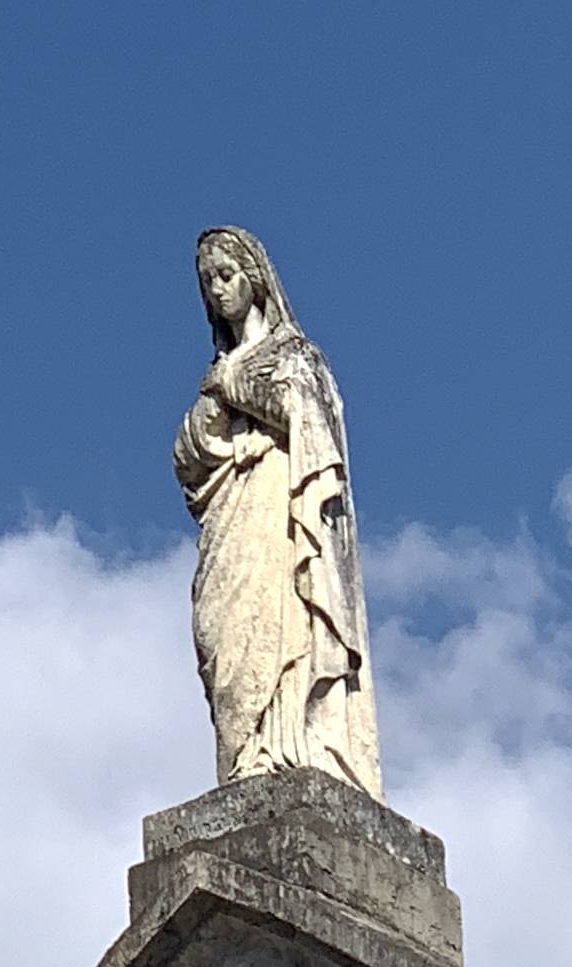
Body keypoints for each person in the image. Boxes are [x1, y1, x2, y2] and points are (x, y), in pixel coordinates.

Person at [176, 227, 382, 800]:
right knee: (227, 638)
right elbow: (187, 459)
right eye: (207, 282)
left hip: (280, 511)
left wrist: (232, 385)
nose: (217, 291)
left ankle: (288, 749)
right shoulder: (214, 379)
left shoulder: (293, 357)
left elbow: (306, 416)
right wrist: (211, 416)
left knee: (283, 622)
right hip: (232, 521)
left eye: (226, 276)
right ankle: (244, 759)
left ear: (255, 279)